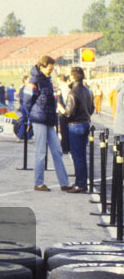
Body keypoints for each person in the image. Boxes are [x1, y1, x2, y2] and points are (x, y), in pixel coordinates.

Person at [23, 55, 72, 191]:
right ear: (42, 66)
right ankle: (38, 183)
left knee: (57, 151)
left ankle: (64, 183)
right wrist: (28, 119)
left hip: (49, 119)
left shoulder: (47, 80)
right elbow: (26, 101)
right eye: (49, 69)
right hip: (39, 119)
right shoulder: (34, 80)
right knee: (40, 152)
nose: (51, 71)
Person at [65, 66, 94, 193]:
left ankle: (80, 184)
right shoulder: (88, 91)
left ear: (72, 77)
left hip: (75, 125)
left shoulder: (73, 92)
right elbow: (92, 108)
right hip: (85, 123)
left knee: (78, 156)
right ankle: (80, 182)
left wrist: (62, 110)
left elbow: (69, 113)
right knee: (81, 155)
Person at [56, 74, 71, 154]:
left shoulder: (60, 88)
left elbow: (59, 101)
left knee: (63, 131)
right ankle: (69, 146)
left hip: (62, 112)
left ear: (61, 80)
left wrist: (62, 111)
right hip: (69, 111)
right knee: (68, 130)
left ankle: (64, 148)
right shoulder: (70, 88)